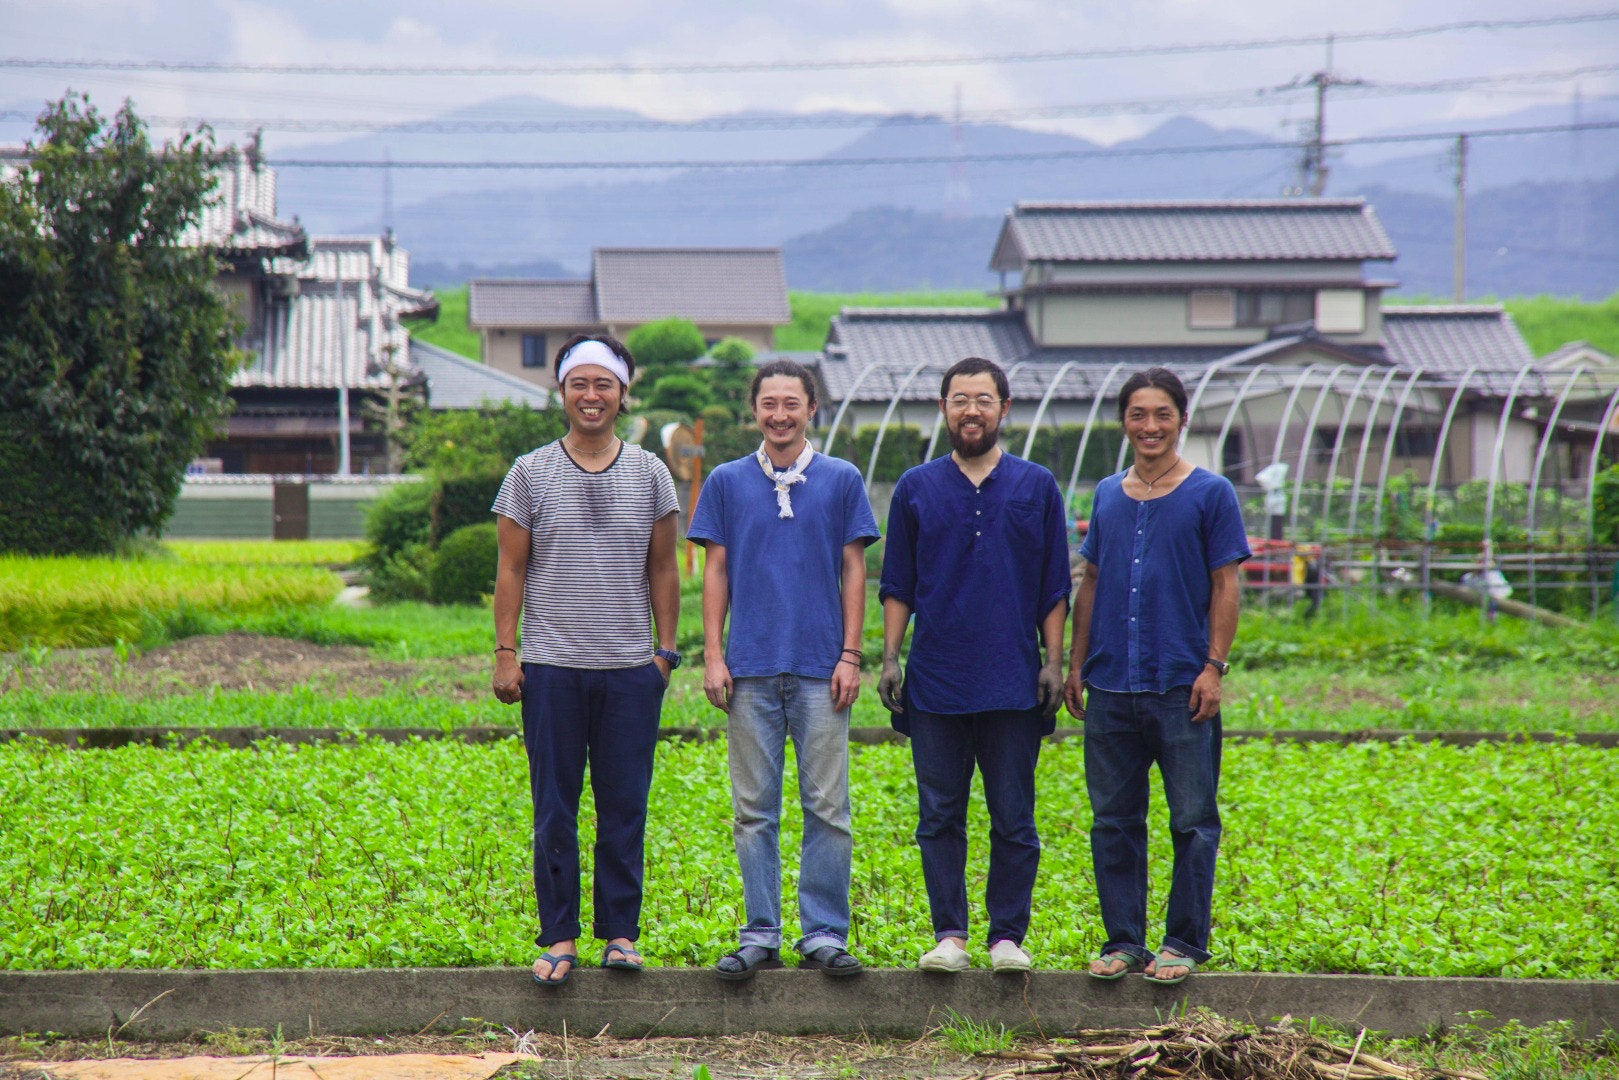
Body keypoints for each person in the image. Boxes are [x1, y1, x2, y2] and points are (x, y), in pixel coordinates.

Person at [491, 333, 682, 988]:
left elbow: (664, 567)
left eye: (604, 384)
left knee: (624, 805)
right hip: (550, 667)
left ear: (623, 394)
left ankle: (620, 934)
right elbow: (510, 569)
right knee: (555, 807)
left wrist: (664, 653)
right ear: (562, 393)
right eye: (580, 384)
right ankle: (560, 936)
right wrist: (505, 653)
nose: (591, 395)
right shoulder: (528, 472)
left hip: (630, 669)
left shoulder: (650, 472)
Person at [687, 358, 880, 981]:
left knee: (828, 806)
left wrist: (852, 655)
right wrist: (713, 654)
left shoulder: (842, 478)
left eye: (791, 403)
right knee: (753, 810)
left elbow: (856, 569)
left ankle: (823, 932)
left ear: (811, 409)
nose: (779, 415)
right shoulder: (726, 480)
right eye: (768, 403)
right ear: (754, 411)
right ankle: (761, 931)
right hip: (748, 669)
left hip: (823, 670)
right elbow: (715, 569)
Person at [877, 356, 1070, 974]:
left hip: (1014, 680)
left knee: (1014, 815)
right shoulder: (916, 487)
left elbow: (1052, 586)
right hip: (936, 679)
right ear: (943, 409)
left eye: (983, 399)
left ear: (1003, 410)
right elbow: (898, 583)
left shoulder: (1036, 486)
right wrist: (889, 657)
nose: (971, 410)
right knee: (939, 815)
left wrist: (1054, 662)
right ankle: (951, 935)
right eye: (959, 399)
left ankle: (1007, 935)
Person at [1064, 366, 1250, 986]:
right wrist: (1075, 663)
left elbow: (1228, 583)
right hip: (1112, 683)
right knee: (1113, 820)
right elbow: (1090, 581)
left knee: (1192, 820)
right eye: (1138, 415)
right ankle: (1124, 942)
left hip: (1181, 684)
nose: (1150, 426)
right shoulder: (1108, 494)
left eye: (1162, 415)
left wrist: (1213, 666)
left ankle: (1184, 942)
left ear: (1182, 420)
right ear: (1124, 422)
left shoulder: (1210, 493)